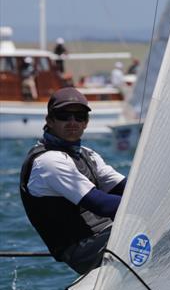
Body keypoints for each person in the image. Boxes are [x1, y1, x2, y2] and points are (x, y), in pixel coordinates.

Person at [19, 87, 126, 274]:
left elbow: (125, 188)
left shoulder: (87, 155)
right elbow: (101, 205)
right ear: (50, 120)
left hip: (106, 236)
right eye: (64, 116)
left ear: (86, 122)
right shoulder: (48, 162)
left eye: (79, 116)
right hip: (82, 251)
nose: (72, 122)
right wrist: (153, 209)